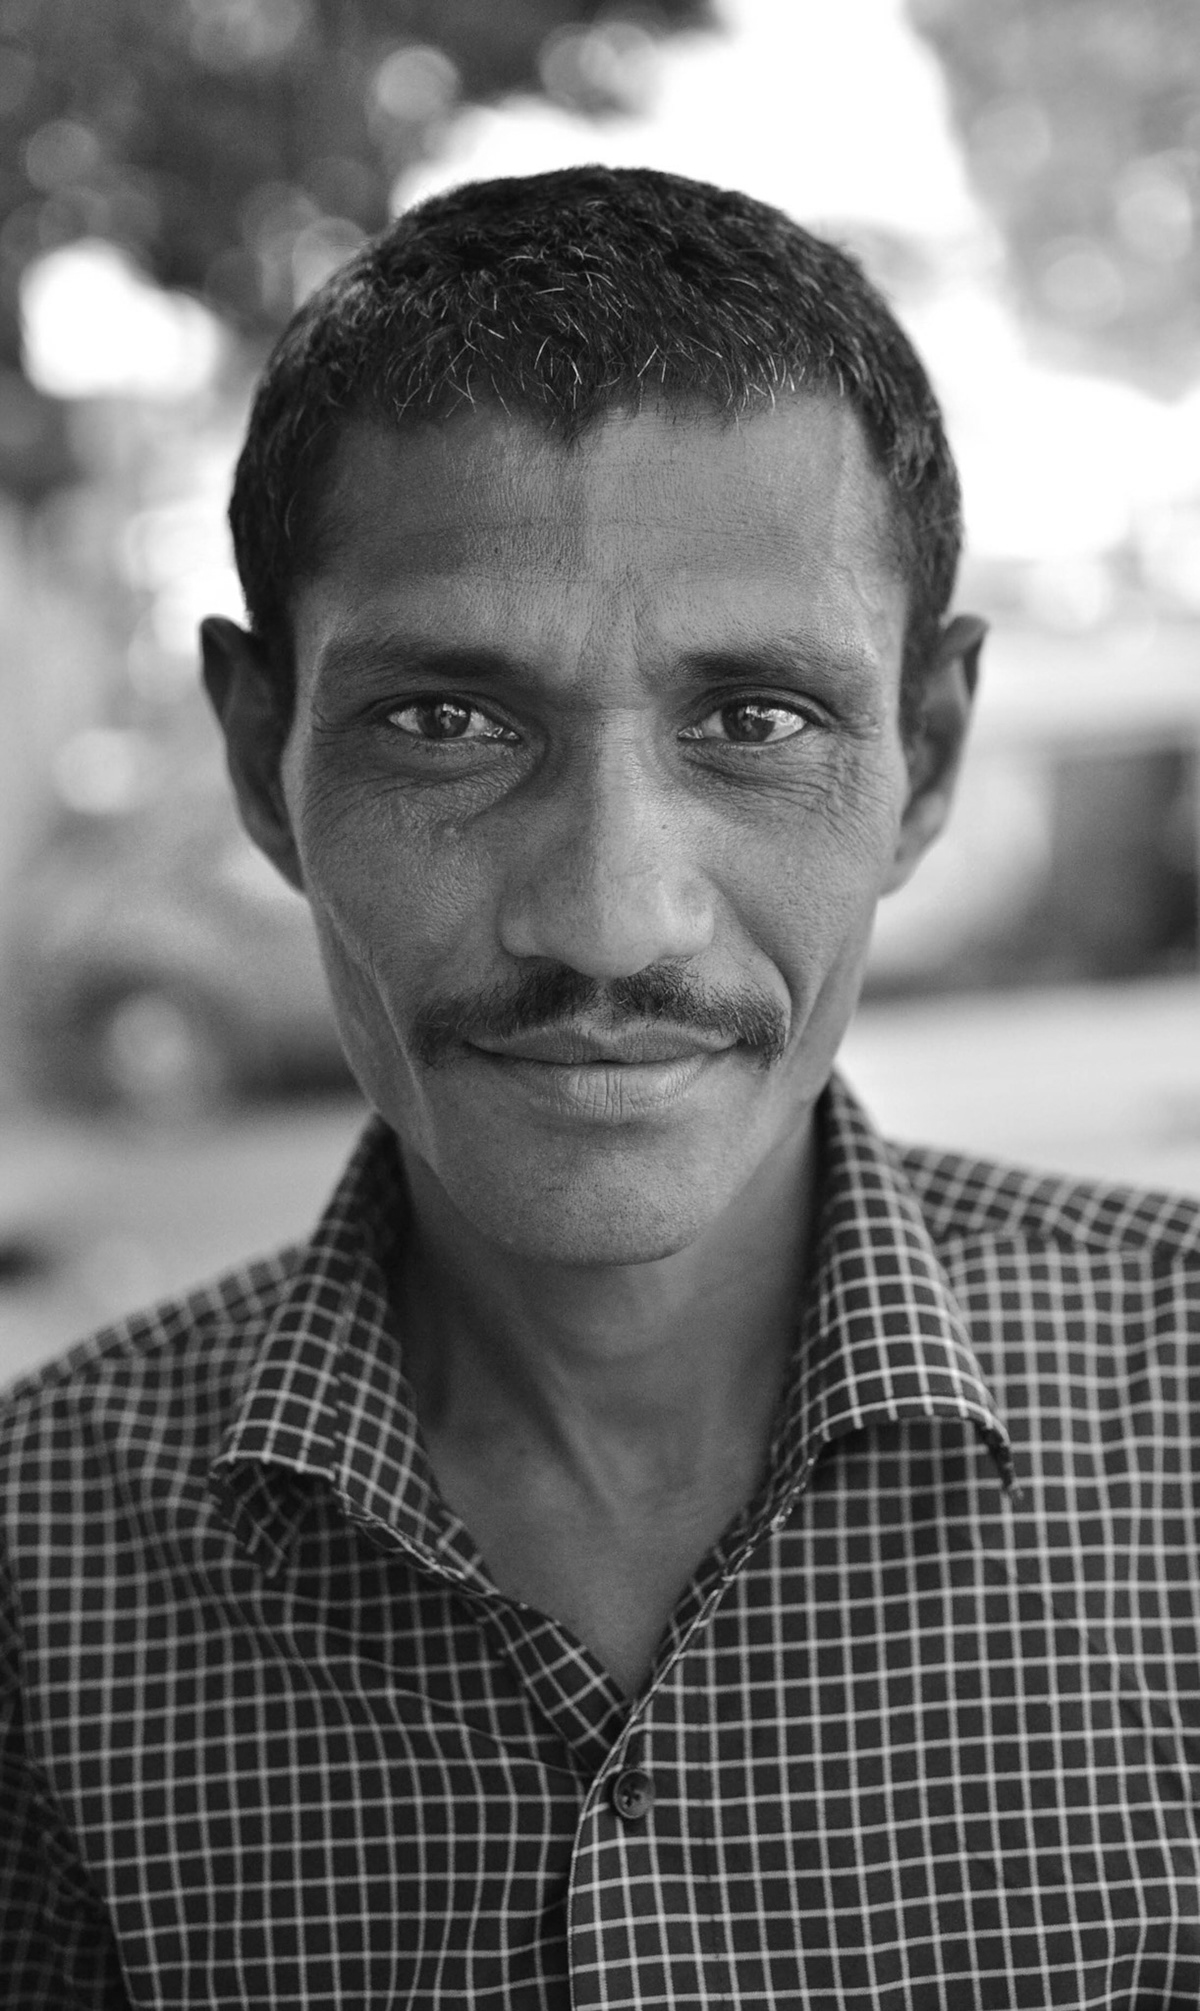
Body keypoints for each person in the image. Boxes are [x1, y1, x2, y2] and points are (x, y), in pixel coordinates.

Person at [2, 164, 1199, 2011]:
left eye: (758, 719)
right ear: (263, 759)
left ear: (930, 753)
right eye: (448, 721)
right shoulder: (41, 1578)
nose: (608, 916)